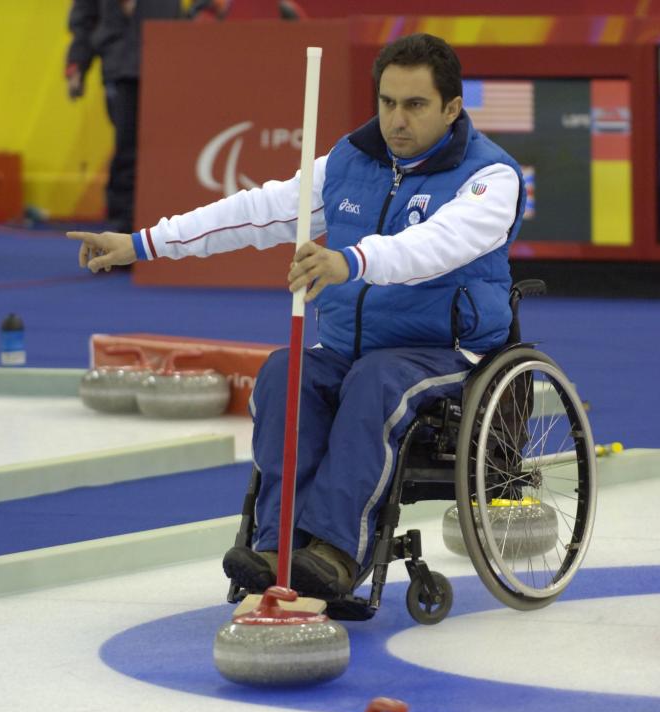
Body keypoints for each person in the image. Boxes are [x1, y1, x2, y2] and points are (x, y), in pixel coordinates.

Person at [67, 33, 525, 599]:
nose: (396, 120)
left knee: (374, 383)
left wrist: (350, 260)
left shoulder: (492, 178)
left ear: (452, 108)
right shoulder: (350, 161)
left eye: (415, 105)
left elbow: (438, 245)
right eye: (386, 102)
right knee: (286, 372)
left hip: (442, 348)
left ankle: (334, 551)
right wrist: (143, 244)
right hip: (346, 345)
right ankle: (274, 545)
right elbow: (255, 213)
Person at [65, 0, 230, 233]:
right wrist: (77, 64)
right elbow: (84, 18)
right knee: (127, 153)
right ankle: (121, 233)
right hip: (120, 67)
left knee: (170, 153)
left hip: (169, 61)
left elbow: (208, 7)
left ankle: (170, 232)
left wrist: (196, 23)